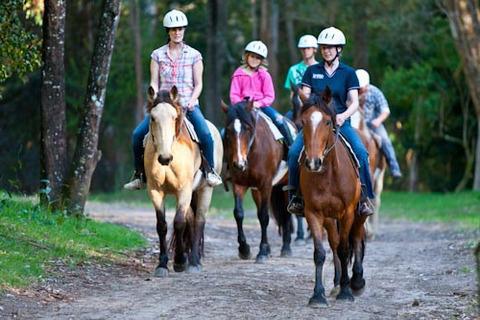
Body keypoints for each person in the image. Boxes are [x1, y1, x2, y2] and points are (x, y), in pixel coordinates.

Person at [124, 9, 222, 190]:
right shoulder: (157, 55)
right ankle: (139, 175)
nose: (177, 32)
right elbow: (154, 81)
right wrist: (153, 95)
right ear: (168, 32)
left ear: (184, 30)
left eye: (180, 29)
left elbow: (199, 84)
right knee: (137, 135)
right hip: (164, 108)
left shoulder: (195, 55)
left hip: (187, 106)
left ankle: (210, 172)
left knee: (206, 135)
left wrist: (193, 99)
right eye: (173, 29)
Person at [286, 26, 375, 217]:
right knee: (293, 153)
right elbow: (307, 96)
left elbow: (353, 101)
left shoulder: (348, 73)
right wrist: (307, 110)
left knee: (361, 152)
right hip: (316, 125)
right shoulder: (311, 71)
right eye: (324, 47)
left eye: (331, 47)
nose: (327, 50)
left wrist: (343, 116)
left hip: (342, 123)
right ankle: (296, 197)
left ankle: (364, 199)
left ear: (339, 49)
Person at [229, 40, 294, 145]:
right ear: (247, 56)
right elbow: (234, 95)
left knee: (281, 121)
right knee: (227, 129)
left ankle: (290, 150)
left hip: (261, 106)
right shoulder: (238, 74)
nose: (254, 60)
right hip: (242, 108)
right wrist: (242, 105)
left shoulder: (264, 75)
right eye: (252, 56)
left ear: (262, 60)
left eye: (258, 58)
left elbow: (269, 96)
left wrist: (258, 103)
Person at [355, 69, 402, 178]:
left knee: (385, 140)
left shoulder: (375, 92)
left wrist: (378, 120)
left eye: (361, 88)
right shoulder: (351, 92)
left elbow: (386, 110)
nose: (359, 90)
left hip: (372, 124)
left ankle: (394, 167)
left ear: (366, 85)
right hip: (354, 122)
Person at [284, 34, 318, 121]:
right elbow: (292, 93)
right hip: (298, 109)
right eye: (303, 48)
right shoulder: (293, 70)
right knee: (284, 122)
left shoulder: (320, 69)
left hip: (317, 108)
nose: (305, 51)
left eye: (308, 48)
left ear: (314, 49)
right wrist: (296, 107)